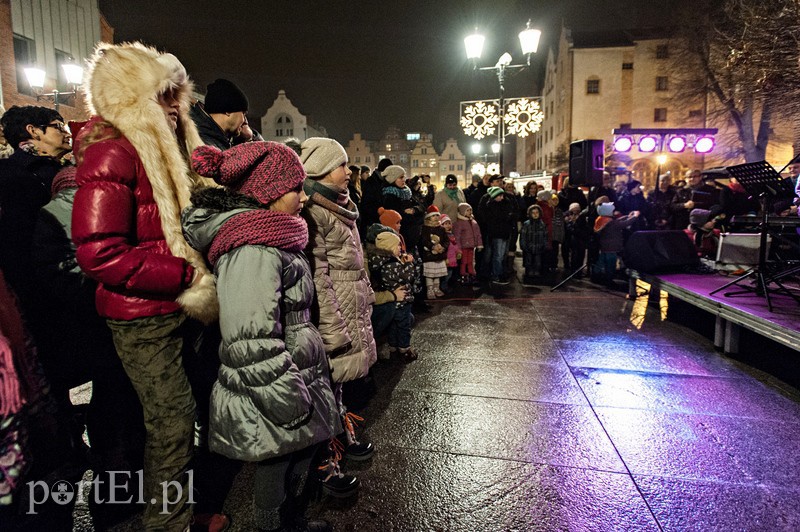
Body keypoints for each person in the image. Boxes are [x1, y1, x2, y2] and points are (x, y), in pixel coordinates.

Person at [72, 42, 219, 531]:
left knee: (178, 418)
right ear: (131, 100)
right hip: (142, 316)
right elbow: (98, 252)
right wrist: (182, 276)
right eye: (164, 95)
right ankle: (167, 523)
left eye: (179, 95)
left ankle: (176, 509)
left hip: (179, 308)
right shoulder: (113, 154)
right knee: (171, 423)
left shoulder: (168, 150)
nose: (176, 106)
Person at [185, 141, 339, 532]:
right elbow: (250, 338)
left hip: (292, 371)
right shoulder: (254, 247)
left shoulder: (272, 236)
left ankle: (292, 522)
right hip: (276, 383)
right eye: (296, 189)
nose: (304, 197)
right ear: (267, 194)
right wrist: (287, 397)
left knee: (291, 464)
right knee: (276, 471)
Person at [299, 137, 376, 464]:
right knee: (325, 387)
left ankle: (343, 437)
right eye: (341, 165)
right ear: (321, 170)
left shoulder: (341, 205)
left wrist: (368, 294)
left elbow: (356, 264)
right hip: (336, 314)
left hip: (352, 304)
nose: (349, 171)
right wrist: (332, 329)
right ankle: (327, 457)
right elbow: (319, 275)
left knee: (338, 384)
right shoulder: (316, 211)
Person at [367, 230, 418, 362]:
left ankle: (393, 347)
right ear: (389, 247)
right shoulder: (392, 265)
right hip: (401, 302)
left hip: (393, 301)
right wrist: (408, 263)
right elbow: (409, 277)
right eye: (397, 245)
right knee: (403, 325)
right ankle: (404, 349)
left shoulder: (380, 262)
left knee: (393, 325)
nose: (400, 248)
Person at [189, 78, 249, 150]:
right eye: (243, 113)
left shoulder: (213, 138)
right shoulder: (206, 144)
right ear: (228, 110)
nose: (245, 121)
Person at [593, 202, 640, 285]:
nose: (613, 212)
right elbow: (623, 224)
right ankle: (609, 280)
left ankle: (596, 277)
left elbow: (616, 221)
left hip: (604, 246)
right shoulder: (610, 223)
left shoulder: (601, 219)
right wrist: (635, 216)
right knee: (610, 265)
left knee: (601, 263)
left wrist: (626, 216)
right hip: (612, 247)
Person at [479, 186, 515, 285]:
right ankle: (496, 275)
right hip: (497, 233)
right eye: (499, 196)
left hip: (504, 232)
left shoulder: (506, 203)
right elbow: (492, 219)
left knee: (502, 255)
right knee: (498, 255)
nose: (502, 197)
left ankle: (499, 273)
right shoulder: (490, 205)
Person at [419, 205, 449, 299]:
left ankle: (436, 288)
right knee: (430, 274)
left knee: (437, 274)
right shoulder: (425, 228)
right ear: (428, 217)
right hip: (429, 255)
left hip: (439, 255)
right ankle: (430, 289)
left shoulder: (441, 229)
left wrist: (443, 247)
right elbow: (424, 240)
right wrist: (432, 246)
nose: (436, 217)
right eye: (433, 215)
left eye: (437, 215)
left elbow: (446, 240)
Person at [453, 202, 482, 285]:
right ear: (462, 212)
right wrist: (458, 248)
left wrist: (479, 244)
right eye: (467, 210)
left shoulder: (473, 222)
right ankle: (463, 274)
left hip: (471, 246)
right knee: (464, 261)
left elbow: (478, 234)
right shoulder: (459, 223)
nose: (470, 212)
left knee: (471, 261)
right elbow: (457, 237)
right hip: (464, 246)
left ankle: (471, 274)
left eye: (470, 210)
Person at [520, 204, 548, 285]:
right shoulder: (527, 224)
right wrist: (523, 245)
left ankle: (536, 272)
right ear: (530, 214)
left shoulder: (542, 224)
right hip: (529, 246)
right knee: (528, 261)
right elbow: (523, 236)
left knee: (537, 261)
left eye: (537, 212)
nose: (535, 214)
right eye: (533, 213)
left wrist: (544, 245)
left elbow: (545, 236)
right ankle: (529, 272)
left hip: (539, 247)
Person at [439, 214, 460, 292]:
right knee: (445, 274)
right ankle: (443, 286)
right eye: (445, 224)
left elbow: (454, 244)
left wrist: (458, 251)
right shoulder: (442, 235)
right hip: (446, 258)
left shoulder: (451, 234)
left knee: (449, 273)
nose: (448, 226)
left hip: (452, 258)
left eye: (449, 223)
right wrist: (445, 258)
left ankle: (445, 285)